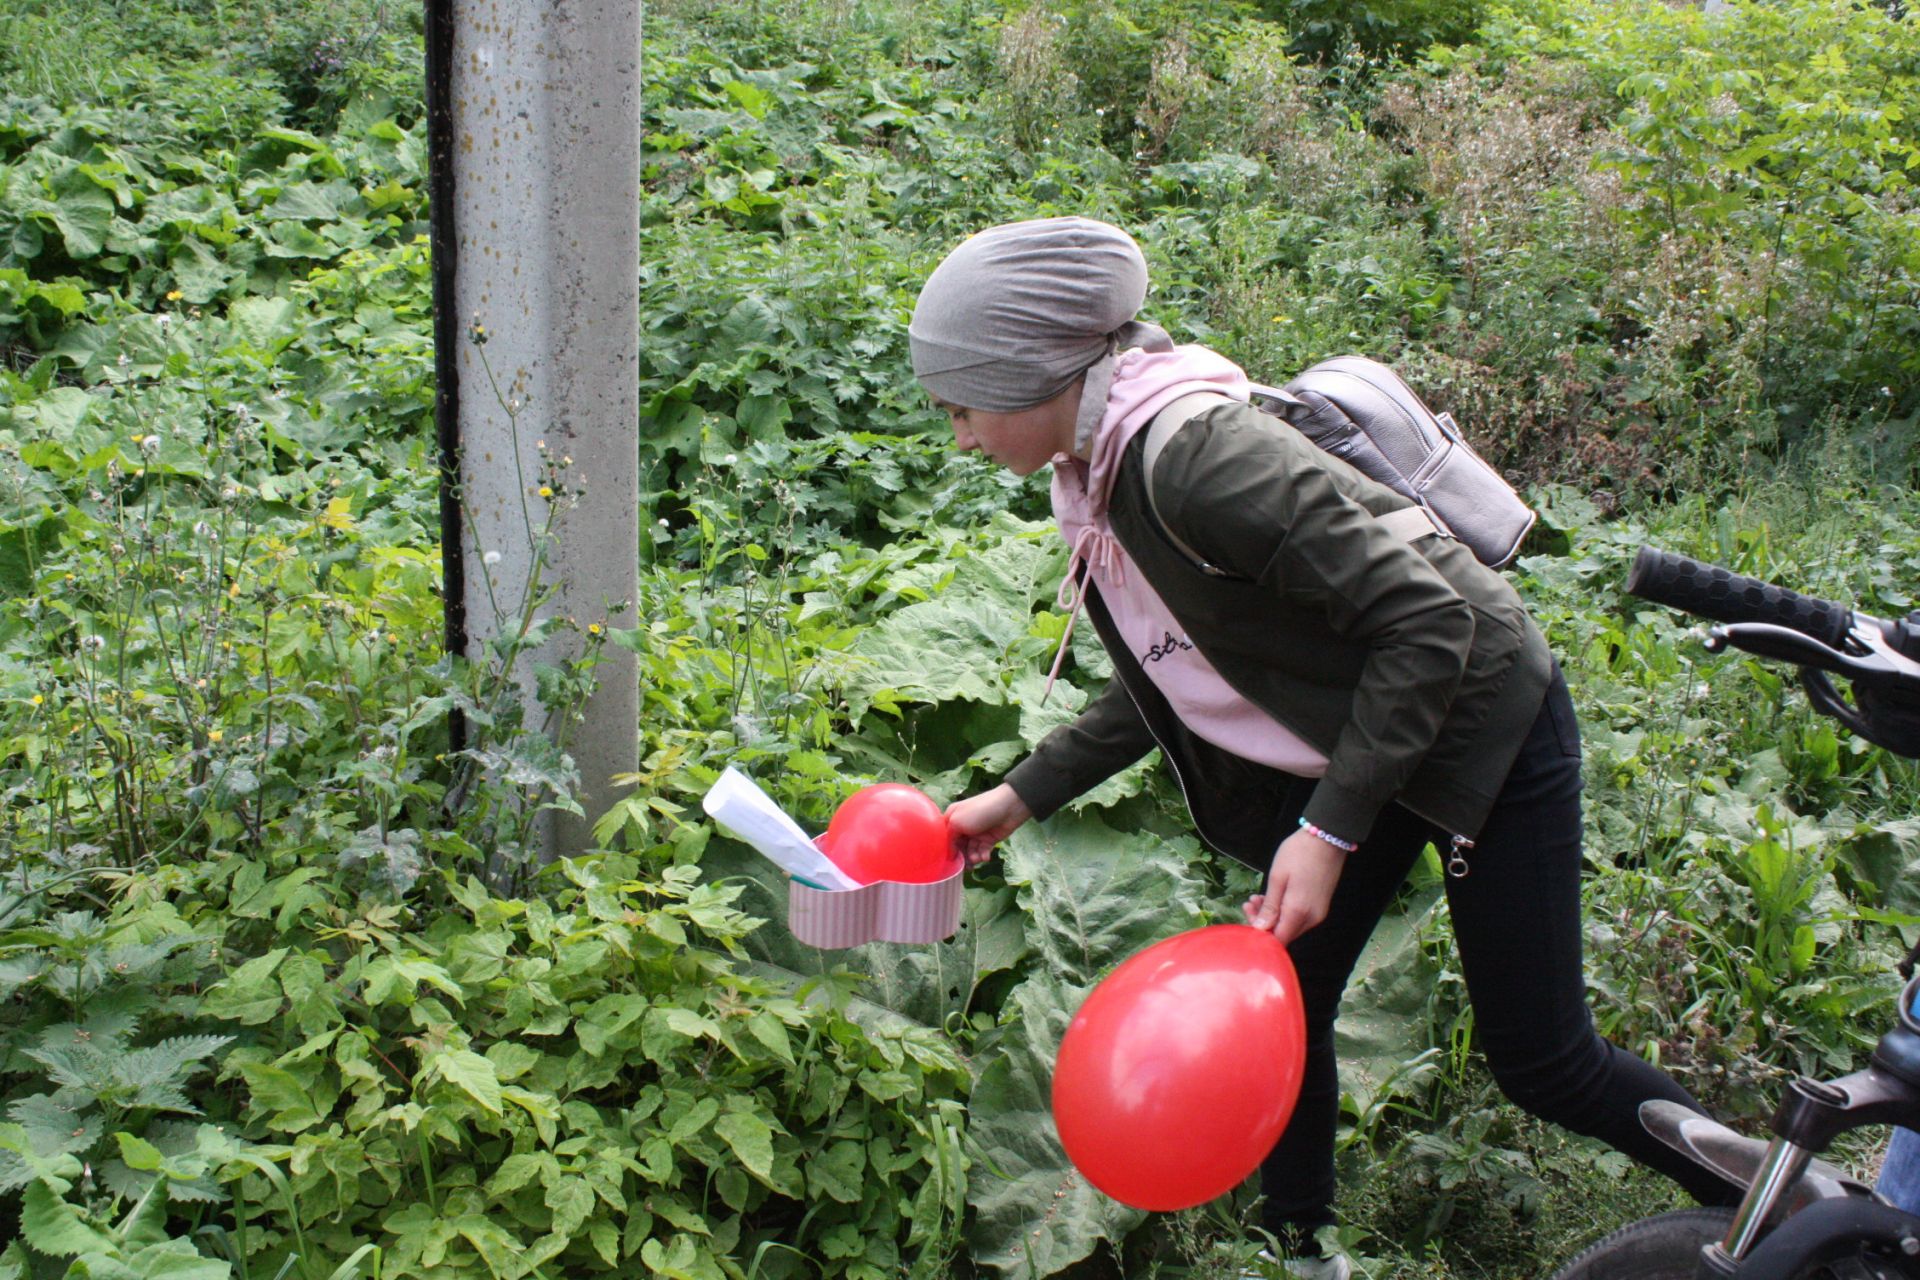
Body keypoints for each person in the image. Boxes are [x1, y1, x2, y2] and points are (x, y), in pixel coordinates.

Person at [909, 216, 1738, 1277]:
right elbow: (1174, 666)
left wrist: (1330, 826)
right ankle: (1300, 1249)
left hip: (1481, 723)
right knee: (1287, 990)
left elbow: (1431, 622)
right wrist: (1018, 797)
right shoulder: (1097, 472)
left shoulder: (1197, 461)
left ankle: (1781, 1206)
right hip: (1369, 728)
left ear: (1035, 374)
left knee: (1545, 1061)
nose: (964, 439)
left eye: (965, 409)